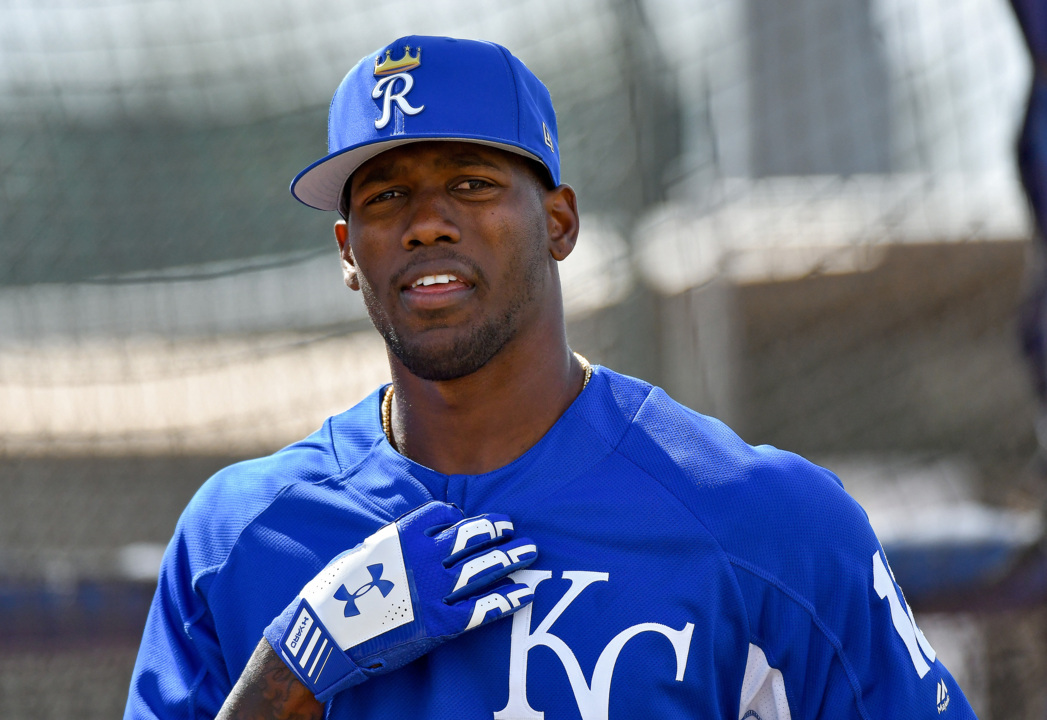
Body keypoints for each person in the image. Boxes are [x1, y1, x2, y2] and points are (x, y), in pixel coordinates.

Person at [125, 35, 978, 719]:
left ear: (559, 224)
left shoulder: (765, 525)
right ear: (349, 252)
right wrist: (289, 675)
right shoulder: (236, 540)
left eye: (471, 182)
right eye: (384, 197)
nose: (426, 223)